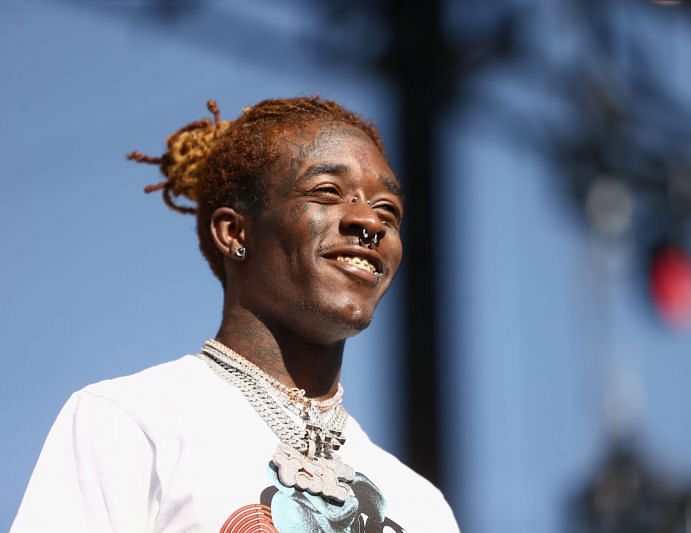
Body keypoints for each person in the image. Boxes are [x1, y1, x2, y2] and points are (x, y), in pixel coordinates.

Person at [12, 97, 459, 532]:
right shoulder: (133, 421)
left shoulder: (421, 505)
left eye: (389, 210)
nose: (370, 222)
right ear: (234, 232)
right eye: (328, 192)